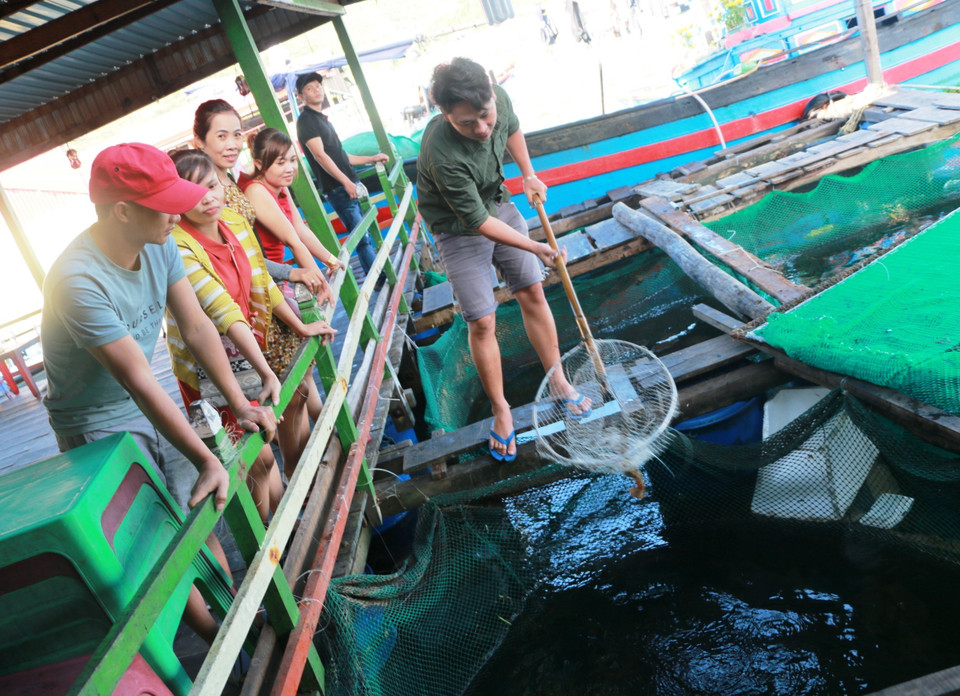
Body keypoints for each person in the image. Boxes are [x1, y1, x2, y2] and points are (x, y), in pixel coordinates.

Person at [41, 142, 278, 643]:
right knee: (156, 538)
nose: (177, 213)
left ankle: (238, 623)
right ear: (123, 211)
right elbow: (136, 378)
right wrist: (206, 456)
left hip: (149, 397)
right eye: (165, 202)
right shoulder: (75, 280)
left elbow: (196, 325)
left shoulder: (160, 240)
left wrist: (240, 402)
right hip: (96, 422)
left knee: (198, 508)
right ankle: (216, 638)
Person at [416, 57, 591, 462]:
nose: (480, 129)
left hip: (498, 199)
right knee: (482, 319)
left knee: (532, 290)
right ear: (443, 114)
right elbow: (478, 222)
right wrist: (537, 247)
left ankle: (560, 382)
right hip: (459, 228)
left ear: (492, 93)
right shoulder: (440, 153)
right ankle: (501, 409)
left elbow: (509, 126)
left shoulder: (498, 101)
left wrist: (528, 173)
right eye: (466, 124)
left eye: (484, 115)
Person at [167, 149, 336, 514]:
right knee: (257, 460)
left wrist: (299, 324)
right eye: (193, 193)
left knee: (277, 429)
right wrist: (265, 371)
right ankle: (271, 543)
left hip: (247, 343)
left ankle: (290, 515)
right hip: (211, 362)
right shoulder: (176, 245)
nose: (208, 198)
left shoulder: (233, 220)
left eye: (212, 185)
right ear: (175, 200)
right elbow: (221, 311)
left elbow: (261, 280)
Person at [240, 128, 334, 462]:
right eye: (280, 162)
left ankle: (326, 430)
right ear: (259, 164)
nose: (289, 168)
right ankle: (310, 449)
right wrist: (320, 283)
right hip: (267, 289)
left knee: (304, 371)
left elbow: (300, 228)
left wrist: (328, 260)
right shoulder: (256, 190)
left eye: (292, 160)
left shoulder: (279, 189)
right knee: (296, 378)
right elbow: (293, 239)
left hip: (279, 281)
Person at [191, 99, 334, 297]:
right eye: (222, 136)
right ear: (199, 140)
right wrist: (295, 274)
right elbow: (234, 254)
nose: (233, 145)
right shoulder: (207, 192)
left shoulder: (230, 180)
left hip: (266, 283)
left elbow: (294, 232)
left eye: (237, 135)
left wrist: (329, 263)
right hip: (244, 292)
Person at [294, 71, 389, 277]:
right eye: (309, 88)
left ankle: (381, 275)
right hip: (338, 188)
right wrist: (345, 181)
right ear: (300, 97)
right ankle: (380, 279)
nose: (316, 90)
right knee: (362, 239)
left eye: (318, 85)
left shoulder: (322, 119)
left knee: (367, 234)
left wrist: (371, 158)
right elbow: (319, 155)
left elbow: (341, 155)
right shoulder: (306, 121)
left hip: (349, 184)